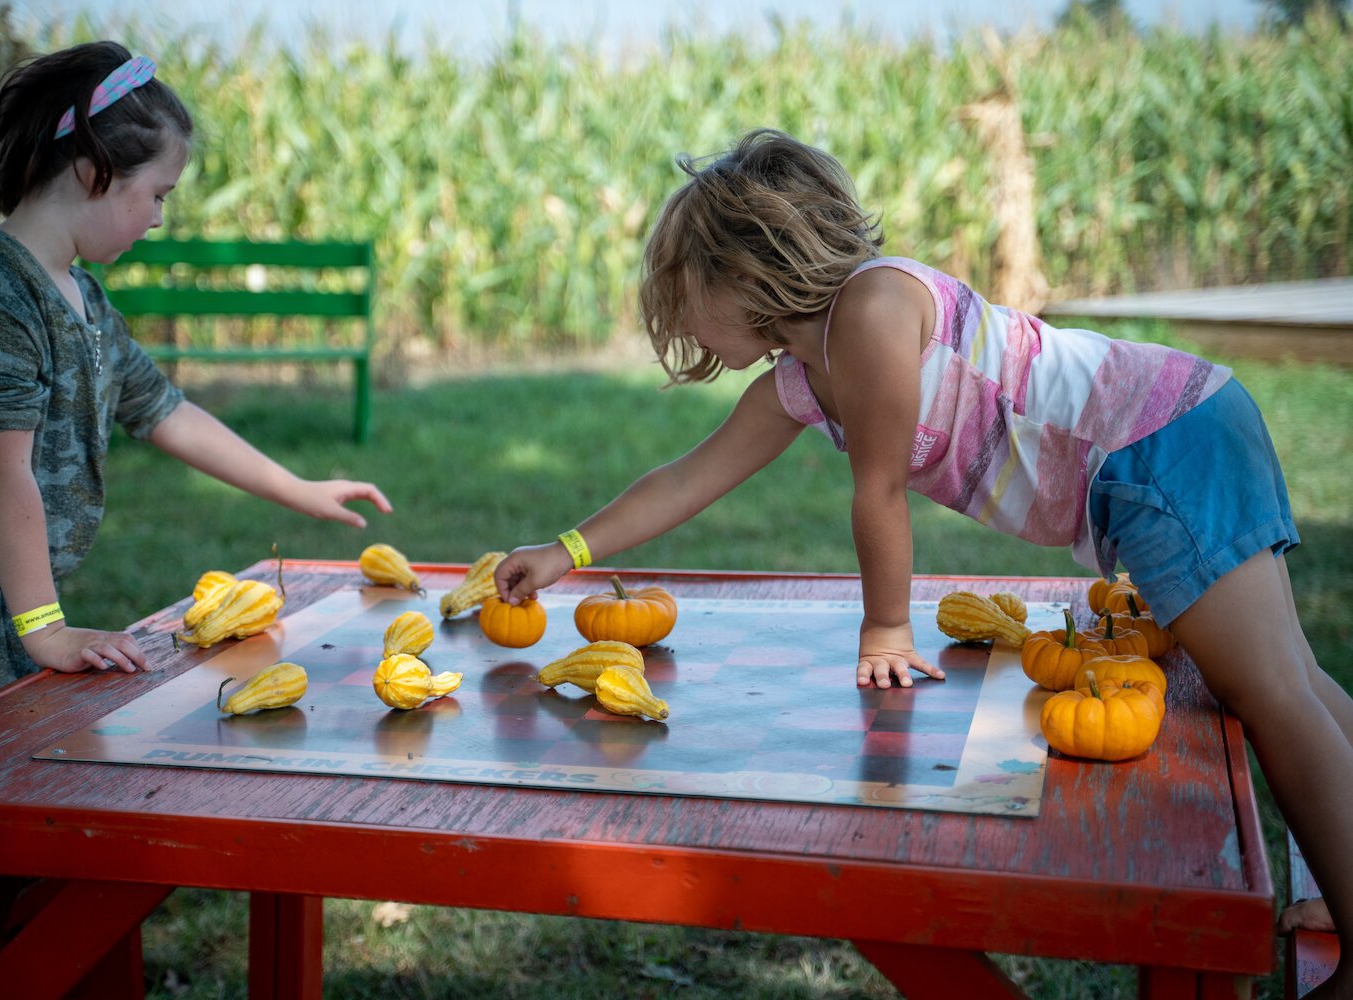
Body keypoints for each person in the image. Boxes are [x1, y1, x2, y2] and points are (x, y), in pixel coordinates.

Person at [493, 128, 1350, 994]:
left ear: (743, 272)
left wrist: (887, 629)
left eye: (683, 294)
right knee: (1296, 683)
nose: (677, 319)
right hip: (1160, 451)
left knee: (1271, 694)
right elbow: (684, 481)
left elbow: (879, 492)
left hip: (1160, 452)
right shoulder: (798, 377)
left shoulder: (872, 310)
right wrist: (565, 551)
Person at [0, 41, 391, 748]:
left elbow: (164, 411)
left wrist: (299, 488)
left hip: (7, 608)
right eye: (158, 195)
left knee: (17, 810)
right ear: (94, 173)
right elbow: (4, 473)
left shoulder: (83, 297)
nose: (161, 218)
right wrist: (46, 632)